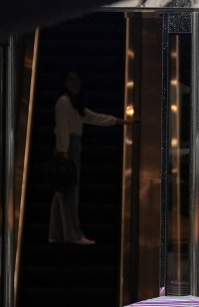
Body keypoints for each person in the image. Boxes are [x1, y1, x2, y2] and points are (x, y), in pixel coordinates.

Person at [48, 69, 134, 245]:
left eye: (77, 80)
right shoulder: (64, 102)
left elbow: (93, 117)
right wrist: (64, 151)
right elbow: (63, 127)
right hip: (68, 147)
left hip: (70, 145)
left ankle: (56, 234)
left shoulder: (74, 104)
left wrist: (119, 121)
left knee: (62, 192)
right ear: (64, 83)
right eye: (71, 80)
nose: (75, 83)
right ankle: (73, 235)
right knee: (70, 192)